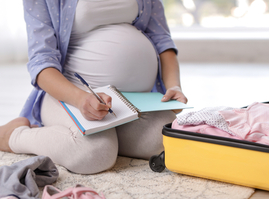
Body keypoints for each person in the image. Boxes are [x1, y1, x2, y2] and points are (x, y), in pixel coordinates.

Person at [0, 0, 187, 174]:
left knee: (170, 138)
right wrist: (80, 98)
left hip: (132, 101)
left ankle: (109, 131)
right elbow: (41, 63)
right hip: (70, 94)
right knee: (95, 153)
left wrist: (174, 86)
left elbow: (162, 41)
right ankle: (12, 136)